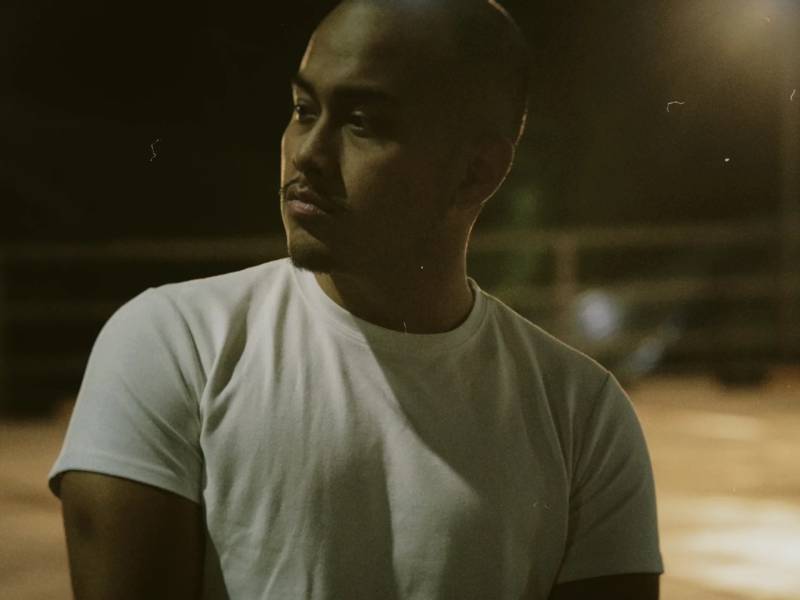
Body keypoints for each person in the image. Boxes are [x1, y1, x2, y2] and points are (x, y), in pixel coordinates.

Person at [48, 1, 663, 598]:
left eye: (362, 122)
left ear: (477, 171)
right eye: (303, 109)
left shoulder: (583, 416)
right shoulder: (174, 345)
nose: (307, 152)